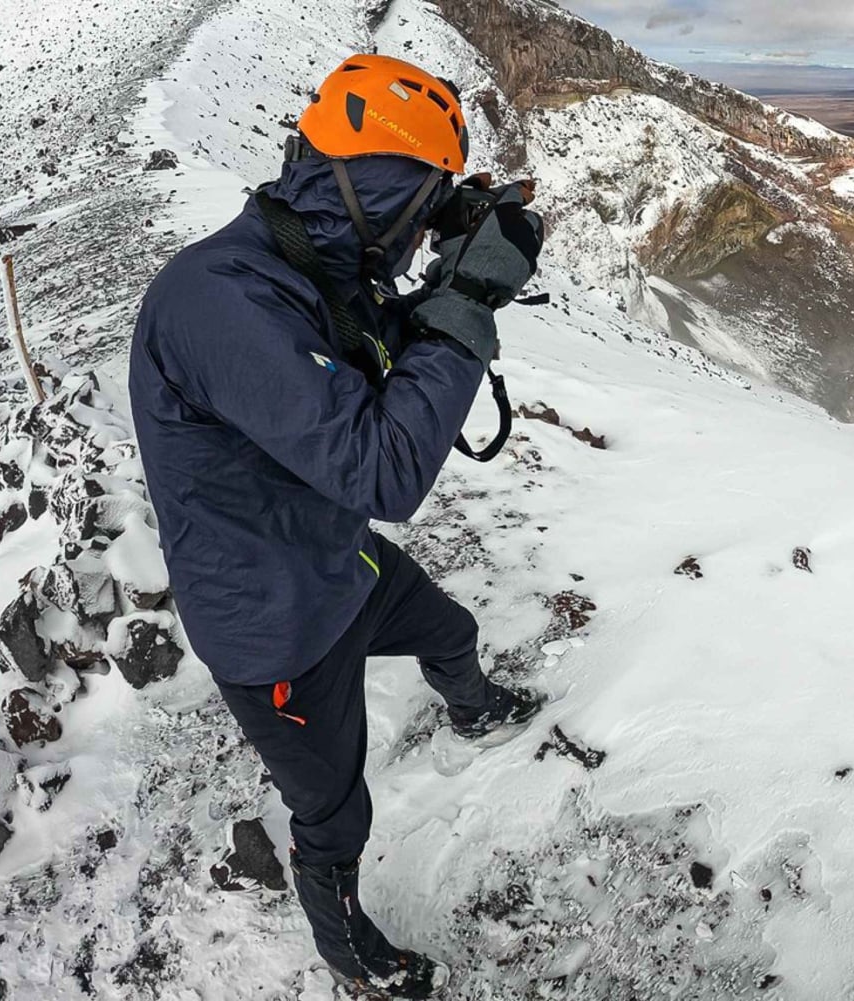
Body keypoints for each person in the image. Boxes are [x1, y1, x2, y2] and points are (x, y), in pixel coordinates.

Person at [129, 54, 545, 999]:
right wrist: (468, 300)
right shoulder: (219, 300)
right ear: (378, 192)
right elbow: (385, 468)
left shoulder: (308, 265)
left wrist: (450, 269)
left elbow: (371, 357)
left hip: (332, 557)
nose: (423, 226)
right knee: (333, 810)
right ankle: (347, 949)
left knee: (450, 629)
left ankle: (473, 708)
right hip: (271, 626)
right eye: (422, 204)